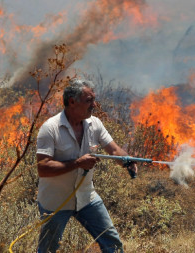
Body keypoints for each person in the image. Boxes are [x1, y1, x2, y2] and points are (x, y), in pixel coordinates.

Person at [36, 78, 137, 253]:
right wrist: (77, 163)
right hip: (55, 202)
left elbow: (113, 150)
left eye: (93, 100)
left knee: (113, 244)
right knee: (48, 250)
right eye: (89, 101)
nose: (94, 105)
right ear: (72, 102)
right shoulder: (50, 128)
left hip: (87, 199)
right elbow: (43, 168)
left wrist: (127, 161)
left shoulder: (95, 124)